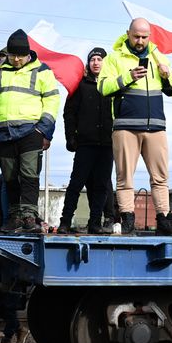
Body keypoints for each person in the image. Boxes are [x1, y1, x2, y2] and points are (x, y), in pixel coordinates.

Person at [98, 18, 172, 235]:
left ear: (149, 36)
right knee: (125, 176)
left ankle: (163, 220)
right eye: (136, 36)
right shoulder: (114, 57)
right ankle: (127, 219)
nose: (140, 41)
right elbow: (103, 87)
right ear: (128, 33)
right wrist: (128, 77)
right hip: (125, 126)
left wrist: (168, 75)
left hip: (156, 126)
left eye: (144, 37)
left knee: (161, 177)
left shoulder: (157, 55)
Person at [0, 30, 59, 233]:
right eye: (12, 55)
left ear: (28, 54)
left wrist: (43, 129)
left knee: (30, 175)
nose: (15, 60)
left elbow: (52, 100)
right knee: (10, 178)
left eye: (19, 56)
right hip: (4, 133)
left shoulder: (42, 71)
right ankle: (14, 218)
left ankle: (29, 217)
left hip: (31, 131)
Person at [59, 47, 114, 234]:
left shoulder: (113, 86)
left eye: (99, 59)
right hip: (85, 144)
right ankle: (65, 221)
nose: (96, 62)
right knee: (76, 184)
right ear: (88, 63)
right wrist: (71, 137)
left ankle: (95, 223)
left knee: (101, 186)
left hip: (107, 144)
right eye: (93, 59)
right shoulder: (80, 85)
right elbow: (69, 113)